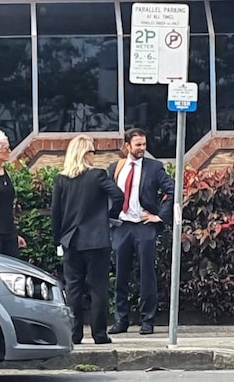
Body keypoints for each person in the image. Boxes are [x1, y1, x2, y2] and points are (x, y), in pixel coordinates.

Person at [52, 135, 124, 345]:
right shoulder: (98, 176)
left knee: (73, 288)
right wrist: (109, 217)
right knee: (98, 288)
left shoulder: (61, 179)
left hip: (71, 240)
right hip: (97, 239)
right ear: (85, 154)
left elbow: (56, 213)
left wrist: (59, 238)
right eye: (93, 151)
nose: (95, 156)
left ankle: (75, 334)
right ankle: (99, 335)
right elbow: (118, 196)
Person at [107, 127, 174, 336]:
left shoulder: (154, 167)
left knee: (147, 275)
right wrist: (109, 217)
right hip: (122, 226)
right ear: (127, 146)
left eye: (144, 144)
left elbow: (172, 189)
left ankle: (147, 320)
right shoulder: (115, 168)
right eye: (138, 145)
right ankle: (121, 319)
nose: (142, 148)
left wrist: (160, 216)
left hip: (144, 226)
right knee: (120, 275)